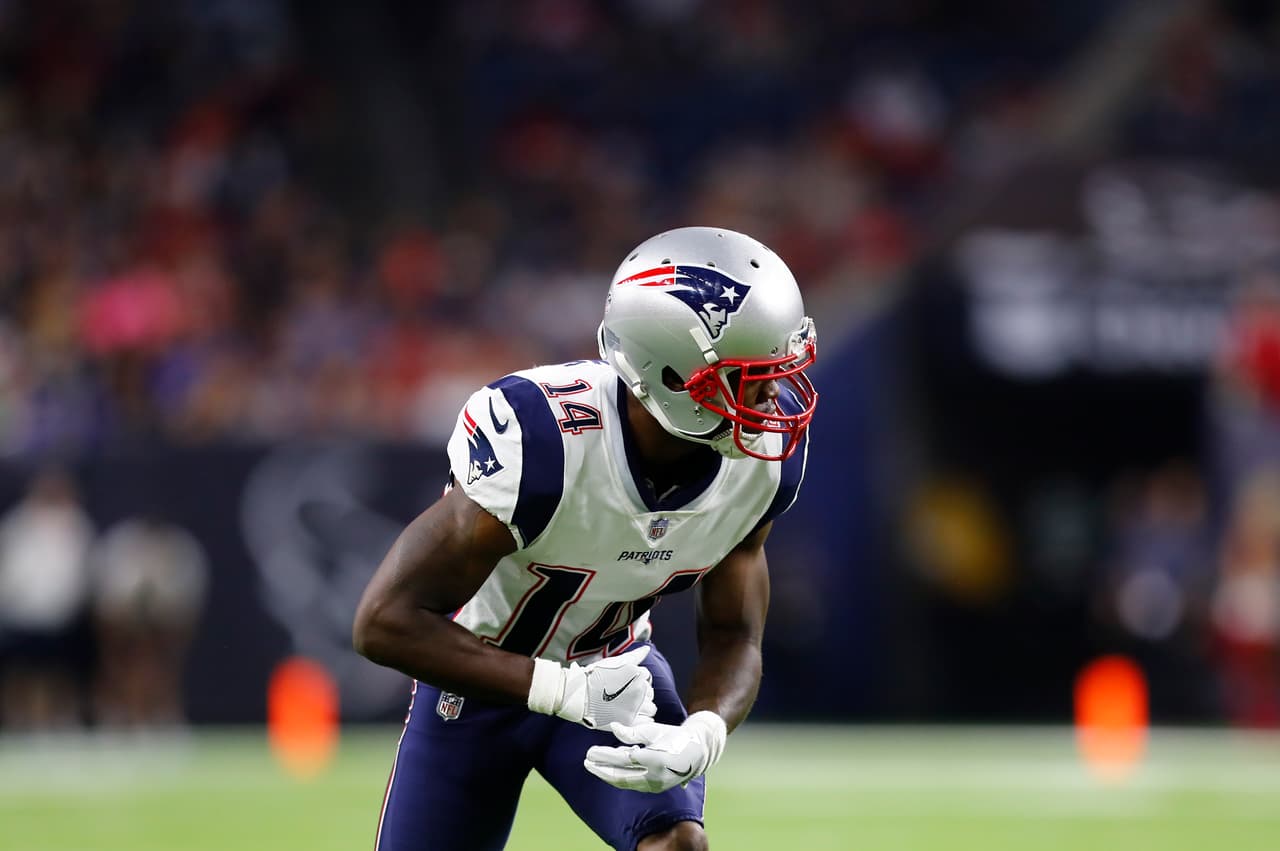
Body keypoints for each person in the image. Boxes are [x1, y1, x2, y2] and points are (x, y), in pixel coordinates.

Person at [353, 227, 818, 851]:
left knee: (677, 845)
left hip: (617, 678)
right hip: (478, 684)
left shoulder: (758, 464)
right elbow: (383, 621)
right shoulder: (544, 443)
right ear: (674, 377)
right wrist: (562, 690)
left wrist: (704, 731)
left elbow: (736, 633)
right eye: (752, 377)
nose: (774, 397)